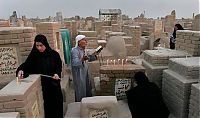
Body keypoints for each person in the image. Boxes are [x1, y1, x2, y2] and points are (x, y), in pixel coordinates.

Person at [16, 34, 63, 118]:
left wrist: (56, 74)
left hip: (54, 86)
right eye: (37, 45)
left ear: (45, 44)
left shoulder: (54, 54)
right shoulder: (34, 55)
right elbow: (26, 65)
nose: (39, 48)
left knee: (56, 108)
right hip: (43, 88)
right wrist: (20, 70)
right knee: (47, 109)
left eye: (41, 45)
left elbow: (58, 66)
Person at [71, 35, 97, 102]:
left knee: (87, 89)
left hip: (86, 73)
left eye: (86, 40)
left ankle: (87, 104)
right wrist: (82, 59)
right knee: (80, 90)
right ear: (79, 42)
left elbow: (89, 59)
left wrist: (94, 55)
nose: (86, 41)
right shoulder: (74, 50)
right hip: (79, 74)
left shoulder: (84, 50)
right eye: (84, 40)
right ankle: (80, 105)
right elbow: (74, 63)